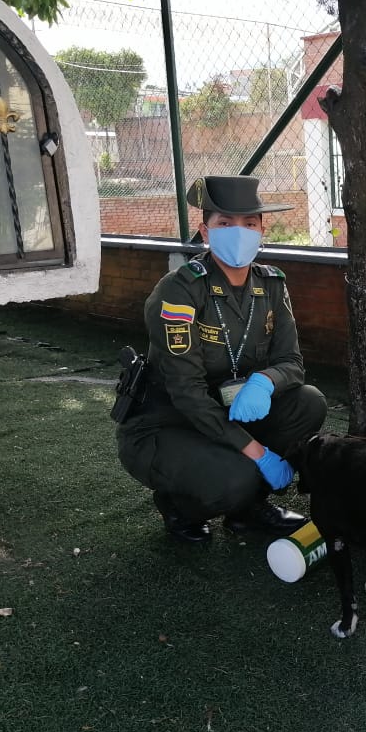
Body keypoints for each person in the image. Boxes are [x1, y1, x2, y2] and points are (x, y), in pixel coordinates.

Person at [116, 176, 327, 542]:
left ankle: (248, 512)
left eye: (249, 224)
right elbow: (187, 394)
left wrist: (265, 382)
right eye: (225, 224)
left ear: (263, 229)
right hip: (168, 423)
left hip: (227, 411)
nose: (239, 233)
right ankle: (179, 507)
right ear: (205, 231)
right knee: (239, 476)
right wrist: (259, 454)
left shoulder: (271, 285)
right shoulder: (180, 291)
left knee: (308, 402)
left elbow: (292, 362)